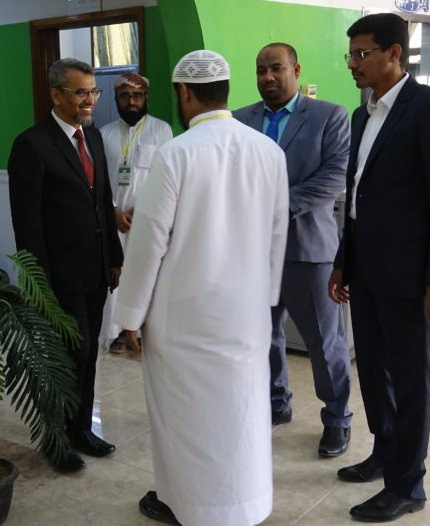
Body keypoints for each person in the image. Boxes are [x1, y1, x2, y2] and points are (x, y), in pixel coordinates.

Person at [114, 50, 289, 526]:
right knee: (242, 414)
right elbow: (278, 237)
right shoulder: (269, 152)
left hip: (184, 319)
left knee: (186, 419)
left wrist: (129, 317)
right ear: (226, 90)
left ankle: (188, 507)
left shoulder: (176, 153)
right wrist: (267, 299)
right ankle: (246, 505)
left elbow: (148, 243)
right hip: (247, 313)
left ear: (184, 92)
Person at [328, 13, 430, 522]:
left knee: (409, 378)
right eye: (350, 55)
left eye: (361, 54)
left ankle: (408, 485)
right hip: (365, 267)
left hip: (409, 273)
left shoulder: (429, 108)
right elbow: (356, 195)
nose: (353, 64)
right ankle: (384, 451)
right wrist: (343, 261)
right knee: (372, 369)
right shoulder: (362, 114)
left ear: (394, 54)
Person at [233, 43, 353, 457]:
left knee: (325, 342)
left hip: (308, 250)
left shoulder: (329, 116)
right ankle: (276, 402)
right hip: (255, 253)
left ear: (296, 70)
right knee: (262, 336)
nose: (268, 77)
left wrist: (275, 205)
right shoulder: (239, 120)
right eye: (260, 70)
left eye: (276, 68)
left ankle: (337, 419)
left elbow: (335, 176)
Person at [7, 58, 124, 473]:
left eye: (93, 91)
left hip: (96, 270)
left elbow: (103, 202)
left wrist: (115, 258)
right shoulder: (32, 144)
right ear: (56, 95)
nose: (90, 100)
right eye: (81, 93)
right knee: (64, 358)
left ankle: (80, 430)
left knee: (88, 353)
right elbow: (27, 221)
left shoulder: (92, 137)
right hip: (59, 275)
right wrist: (38, 282)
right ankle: (54, 439)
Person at [98, 72, 174, 354]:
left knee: (145, 274)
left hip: (148, 220)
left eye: (137, 96)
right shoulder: (103, 134)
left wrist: (144, 212)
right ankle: (116, 332)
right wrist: (113, 212)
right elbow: (99, 181)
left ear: (146, 98)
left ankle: (142, 330)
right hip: (114, 222)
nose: (131, 101)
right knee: (117, 277)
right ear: (116, 98)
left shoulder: (162, 131)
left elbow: (166, 177)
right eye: (125, 96)